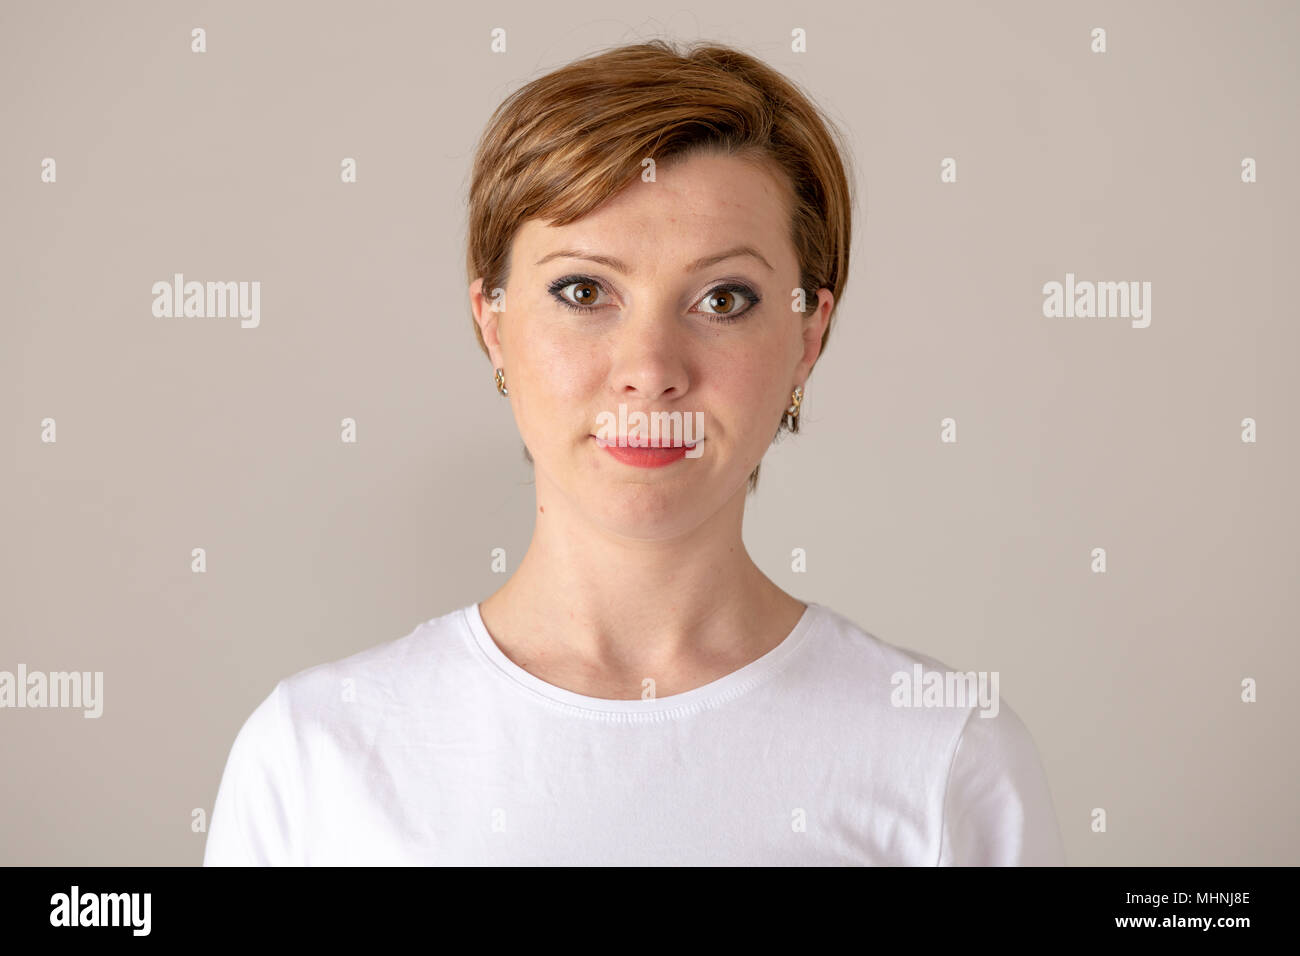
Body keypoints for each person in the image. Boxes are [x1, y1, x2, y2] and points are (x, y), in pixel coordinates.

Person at [204, 39, 1066, 866]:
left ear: (808, 337)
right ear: (493, 324)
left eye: (723, 298)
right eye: (584, 291)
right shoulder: (314, 753)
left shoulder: (945, 753)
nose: (650, 371)